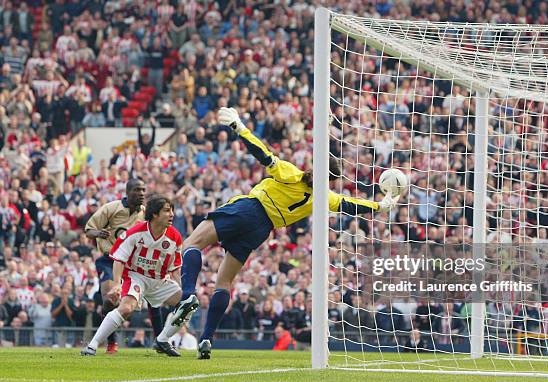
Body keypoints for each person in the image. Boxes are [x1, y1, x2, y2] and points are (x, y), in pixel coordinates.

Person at [174, 107, 400, 359]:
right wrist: (381, 205)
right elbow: (350, 204)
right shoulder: (323, 197)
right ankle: (206, 339)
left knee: (191, 243)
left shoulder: (294, 175)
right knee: (224, 282)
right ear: (332, 180)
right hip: (261, 230)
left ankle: (187, 294)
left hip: (250, 209)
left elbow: (263, 154)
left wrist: (239, 127)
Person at [81, 195, 199, 357]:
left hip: (160, 281)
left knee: (190, 302)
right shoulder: (135, 232)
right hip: (136, 277)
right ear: (155, 214)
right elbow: (118, 259)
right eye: (166, 210)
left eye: (172, 210)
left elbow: (175, 268)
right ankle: (92, 345)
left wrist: (186, 289)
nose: (171, 214)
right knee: (126, 308)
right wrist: (117, 284)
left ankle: (163, 340)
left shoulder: (175, 237)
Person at [84, 179, 163, 354]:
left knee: (153, 301)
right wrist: (98, 233)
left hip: (135, 264)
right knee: (109, 299)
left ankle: (161, 341)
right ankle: (111, 342)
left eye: (143, 190)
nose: (142, 193)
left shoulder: (146, 214)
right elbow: (88, 229)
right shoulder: (111, 208)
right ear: (127, 192)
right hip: (109, 261)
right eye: (137, 190)